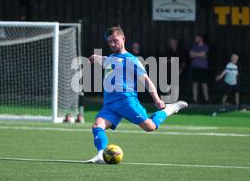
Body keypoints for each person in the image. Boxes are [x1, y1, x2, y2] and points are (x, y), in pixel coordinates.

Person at [87, 26, 188, 164]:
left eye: (115, 41)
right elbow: (107, 60)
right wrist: (96, 58)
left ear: (123, 39)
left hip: (127, 102)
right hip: (110, 105)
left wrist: (157, 99)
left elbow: (146, 80)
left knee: (150, 127)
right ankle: (100, 155)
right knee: (97, 126)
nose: (112, 44)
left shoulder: (132, 60)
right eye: (110, 41)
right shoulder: (111, 57)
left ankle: (170, 109)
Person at [190, 35, 209, 104]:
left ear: (201, 38)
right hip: (195, 68)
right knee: (195, 84)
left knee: (204, 84)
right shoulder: (194, 46)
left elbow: (203, 54)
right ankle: (194, 100)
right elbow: (191, 55)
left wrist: (196, 54)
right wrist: (200, 54)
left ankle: (207, 100)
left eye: (197, 38)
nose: (196, 39)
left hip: (203, 68)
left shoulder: (205, 46)